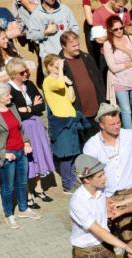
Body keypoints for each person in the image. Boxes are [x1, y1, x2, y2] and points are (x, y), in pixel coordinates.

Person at [83, 102, 132, 258]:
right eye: (112, 124)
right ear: (101, 124)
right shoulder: (91, 146)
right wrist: (97, 199)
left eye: (118, 122)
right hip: (106, 196)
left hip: (130, 192)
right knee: (111, 234)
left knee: (129, 232)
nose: (117, 126)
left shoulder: (130, 136)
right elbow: (88, 178)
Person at [6, 58, 55, 209]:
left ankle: (38, 188)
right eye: (22, 72)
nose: (26, 73)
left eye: (26, 70)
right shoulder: (8, 90)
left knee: (38, 155)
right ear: (14, 74)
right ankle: (28, 194)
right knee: (27, 160)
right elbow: (14, 113)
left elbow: (41, 106)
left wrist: (28, 109)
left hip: (37, 126)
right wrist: (32, 107)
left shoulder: (29, 84)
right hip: (23, 129)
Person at [0, 82, 42, 229]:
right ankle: (9, 214)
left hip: (21, 151)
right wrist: (4, 154)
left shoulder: (12, 108)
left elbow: (20, 129)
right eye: (7, 95)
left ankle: (23, 209)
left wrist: (26, 142)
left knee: (22, 182)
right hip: (7, 156)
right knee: (8, 187)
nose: (11, 96)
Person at [43, 54, 87, 194]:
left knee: (73, 153)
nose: (60, 67)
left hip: (70, 119)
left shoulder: (60, 80)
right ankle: (67, 184)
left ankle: (73, 180)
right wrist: (62, 74)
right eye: (56, 64)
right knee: (66, 155)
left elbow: (71, 98)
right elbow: (59, 84)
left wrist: (70, 84)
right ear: (49, 67)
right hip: (61, 122)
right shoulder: (48, 81)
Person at [59, 31, 107, 145]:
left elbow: (98, 79)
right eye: (73, 46)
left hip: (96, 107)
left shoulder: (85, 57)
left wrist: (103, 99)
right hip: (79, 111)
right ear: (63, 46)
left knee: (101, 139)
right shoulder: (60, 64)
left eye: (78, 45)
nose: (77, 48)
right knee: (86, 142)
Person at [102, 16, 132, 133]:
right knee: (126, 110)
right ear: (110, 30)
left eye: (121, 28)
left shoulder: (131, 39)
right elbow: (113, 67)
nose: (119, 31)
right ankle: (129, 135)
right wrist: (131, 62)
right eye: (115, 29)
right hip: (119, 81)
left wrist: (126, 49)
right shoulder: (108, 44)